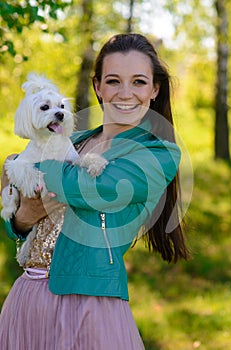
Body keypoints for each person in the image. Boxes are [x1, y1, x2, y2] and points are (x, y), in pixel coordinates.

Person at [0, 33, 190, 350]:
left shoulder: (158, 154)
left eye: (139, 82)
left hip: (87, 303)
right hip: (26, 297)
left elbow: (95, 188)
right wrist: (21, 218)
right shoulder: (72, 141)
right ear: (98, 86)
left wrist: (17, 165)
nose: (125, 93)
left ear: (155, 90)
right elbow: (18, 220)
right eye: (113, 81)